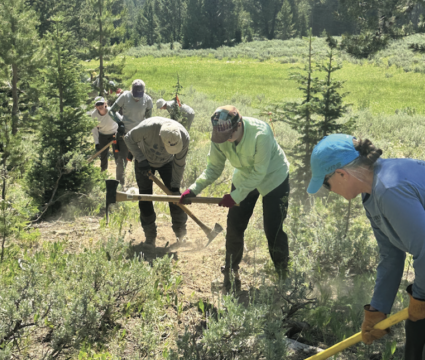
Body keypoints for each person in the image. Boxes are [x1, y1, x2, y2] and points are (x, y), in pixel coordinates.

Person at [307, 134, 425, 359]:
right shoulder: (372, 195)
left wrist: (420, 298)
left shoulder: (389, 189)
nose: (329, 191)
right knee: (416, 338)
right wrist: (378, 309)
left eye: (326, 184)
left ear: (341, 174)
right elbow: (391, 255)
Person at [179, 105, 290, 293]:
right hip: (244, 177)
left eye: (228, 135)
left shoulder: (261, 134)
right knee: (234, 226)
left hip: (273, 178)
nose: (225, 140)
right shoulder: (220, 136)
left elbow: (259, 172)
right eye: (221, 136)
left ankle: (283, 275)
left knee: (273, 229)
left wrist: (235, 196)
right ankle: (231, 271)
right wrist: (194, 189)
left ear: (238, 125)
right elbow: (214, 168)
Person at [124, 117, 190, 247]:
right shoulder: (147, 128)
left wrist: (175, 186)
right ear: (160, 137)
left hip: (167, 163)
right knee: (145, 197)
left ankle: (181, 234)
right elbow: (128, 138)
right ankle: (150, 237)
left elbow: (179, 163)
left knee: (175, 197)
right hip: (144, 161)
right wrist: (141, 159)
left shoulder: (184, 137)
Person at [108, 79, 153, 188]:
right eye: (135, 95)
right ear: (131, 90)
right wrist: (119, 123)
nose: (137, 98)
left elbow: (149, 118)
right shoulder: (125, 96)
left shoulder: (147, 100)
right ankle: (120, 185)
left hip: (139, 135)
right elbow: (111, 111)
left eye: (139, 96)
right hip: (124, 134)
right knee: (121, 161)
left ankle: (142, 186)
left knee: (141, 160)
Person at [90, 96, 121, 176]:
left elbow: (121, 120)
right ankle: (103, 174)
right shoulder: (94, 115)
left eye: (101, 104)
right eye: (98, 104)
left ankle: (120, 173)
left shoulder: (111, 111)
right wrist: (97, 143)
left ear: (105, 104)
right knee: (103, 156)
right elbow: (94, 129)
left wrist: (120, 131)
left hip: (114, 134)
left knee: (117, 155)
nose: (100, 106)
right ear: (95, 106)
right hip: (103, 135)